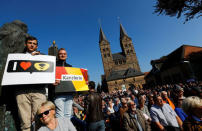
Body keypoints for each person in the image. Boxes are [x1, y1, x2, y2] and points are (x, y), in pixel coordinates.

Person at [16, 36, 47, 131]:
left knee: (40, 121)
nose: (32, 45)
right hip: (22, 92)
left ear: (37, 46)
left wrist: (40, 57)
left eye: (34, 43)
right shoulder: (17, 57)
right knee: (25, 123)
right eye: (30, 43)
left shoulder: (43, 57)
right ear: (26, 44)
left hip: (38, 91)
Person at [53, 48, 73, 119]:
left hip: (69, 95)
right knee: (60, 116)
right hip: (58, 95)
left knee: (68, 116)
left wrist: (83, 83)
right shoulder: (54, 65)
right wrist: (52, 82)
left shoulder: (70, 67)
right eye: (61, 54)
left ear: (66, 56)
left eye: (64, 54)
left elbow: (73, 81)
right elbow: (49, 78)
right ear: (58, 55)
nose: (63, 55)